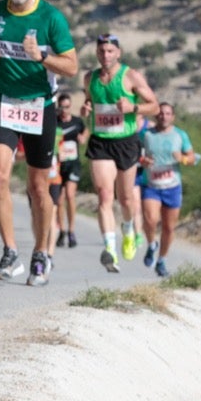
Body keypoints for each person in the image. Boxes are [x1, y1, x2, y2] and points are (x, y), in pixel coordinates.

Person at [0, 0, 78, 286]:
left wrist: (43, 56)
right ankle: (10, 252)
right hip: (3, 101)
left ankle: (41, 254)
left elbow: (72, 66)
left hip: (40, 106)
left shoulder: (51, 18)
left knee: (38, 187)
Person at [82, 34, 158, 273]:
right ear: (97, 53)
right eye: (101, 51)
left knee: (125, 199)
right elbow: (89, 102)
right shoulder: (89, 78)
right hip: (100, 141)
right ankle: (110, 250)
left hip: (125, 141)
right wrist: (85, 108)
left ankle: (128, 231)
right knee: (104, 196)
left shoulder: (131, 76)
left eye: (110, 51)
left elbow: (154, 106)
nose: (105, 55)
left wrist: (133, 107)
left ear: (118, 53)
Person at [138, 102, 201, 278]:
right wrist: (143, 161)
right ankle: (151, 244)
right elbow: (135, 153)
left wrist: (182, 158)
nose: (163, 116)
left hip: (172, 187)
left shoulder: (180, 135)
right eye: (160, 113)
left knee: (169, 228)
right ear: (155, 116)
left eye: (167, 114)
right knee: (150, 220)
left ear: (172, 117)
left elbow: (192, 157)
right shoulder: (146, 134)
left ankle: (161, 260)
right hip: (151, 186)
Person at [50, 93, 85, 249]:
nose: (64, 110)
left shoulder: (77, 122)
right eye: (62, 107)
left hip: (73, 163)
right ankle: (62, 230)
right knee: (59, 199)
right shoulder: (55, 123)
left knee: (70, 195)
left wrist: (83, 137)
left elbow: (85, 131)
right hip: (58, 164)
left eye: (67, 106)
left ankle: (71, 231)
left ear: (71, 106)